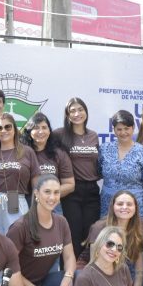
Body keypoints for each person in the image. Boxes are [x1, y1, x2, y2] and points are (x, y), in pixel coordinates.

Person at [6, 175, 77, 286]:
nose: (52, 197)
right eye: (47, 192)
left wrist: (68, 277)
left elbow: (69, 256)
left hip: (43, 281)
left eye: (56, 192)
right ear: (36, 194)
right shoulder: (20, 227)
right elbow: (8, 270)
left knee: (80, 279)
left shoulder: (61, 222)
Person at [55, 97, 102, 258]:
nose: (77, 114)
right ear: (67, 115)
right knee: (73, 232)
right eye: (72, 111)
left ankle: (87, 269)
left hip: (92, 190)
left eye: (80, 109)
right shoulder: (60, 134)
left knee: (90, 233)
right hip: (71, 190)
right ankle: (72, 269)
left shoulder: (93, 135)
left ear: (86, 112)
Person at [81, 190, 143, 286]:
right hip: (90, 268)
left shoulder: (139, 228)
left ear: (135, 208)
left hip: (116, 269)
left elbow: (139, 269)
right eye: (120, 204)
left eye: (129, 204)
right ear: (113, 207)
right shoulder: (100, 227)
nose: (124, 207)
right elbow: (93, 264)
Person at [0, 112, 40, 233]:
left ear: (14, 129)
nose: (3, 130)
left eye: (8, 127)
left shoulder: (27, 152)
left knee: (17, 240)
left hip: (17, 202)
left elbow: (36, 183)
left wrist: (36, 208)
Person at [99, 110, 143, 224]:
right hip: (108, 206)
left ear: (133, 128)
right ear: (114, 130)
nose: (123, 132)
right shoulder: (104, 149)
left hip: (134, 207)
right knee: (109, 234)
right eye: (119, 129)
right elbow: (98, 172)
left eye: (126, 128)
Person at [21, 112, 75, 209]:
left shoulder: (59, 154)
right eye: (36, 128)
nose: (40, 131)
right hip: (26, 203)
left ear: (49, 131)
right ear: (29, 131)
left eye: (44, 127)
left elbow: (70, 184)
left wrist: (48, 195)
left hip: (52, 203)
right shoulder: (21, 153)